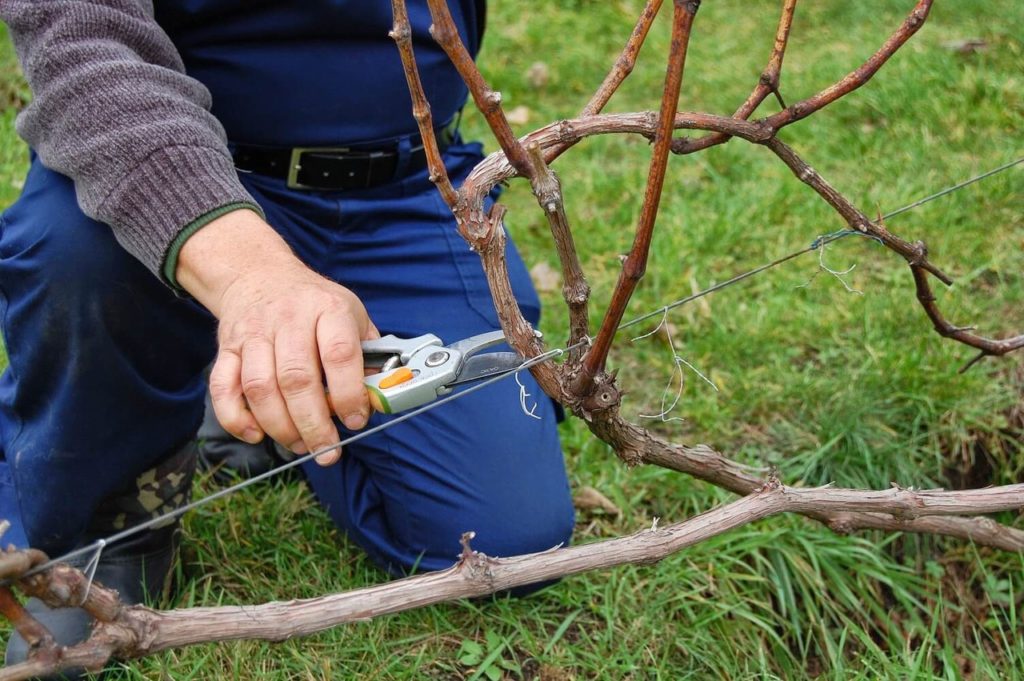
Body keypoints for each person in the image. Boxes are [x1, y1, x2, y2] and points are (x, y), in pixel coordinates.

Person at [0, 1, 575, 673]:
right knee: (75, 255)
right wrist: (250, 274)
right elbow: (83, 49)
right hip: (162, 169)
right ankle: (104, 524)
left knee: (510, 543)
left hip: (405, 187)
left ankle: (261, 394)